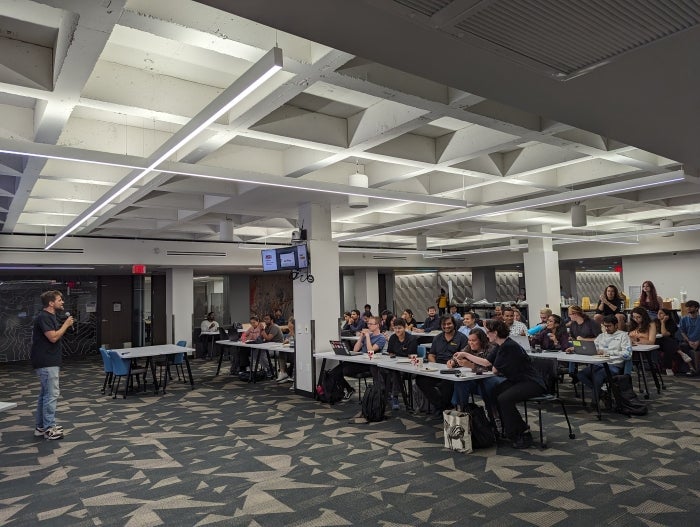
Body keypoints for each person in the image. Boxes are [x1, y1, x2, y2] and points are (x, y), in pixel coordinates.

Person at [481, 320, 546, 448]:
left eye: (488, 332)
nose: (487, 335)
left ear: (496, 333)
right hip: (518, 380)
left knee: (504, 399)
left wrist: (465, 355)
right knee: (494, 393)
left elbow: (494, 369)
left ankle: (521, 432)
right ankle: (502, 427)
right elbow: (487, 362)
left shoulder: (508, 346)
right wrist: (464, 355)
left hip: (532, 382)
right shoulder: (500, 346)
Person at [31, 290, 73, 440]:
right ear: (51, 303)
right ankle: (49, 428)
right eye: (59, 300)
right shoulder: (44, 317)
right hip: (46, 361)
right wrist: (66, 325)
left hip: (48, 360)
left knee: (45, 395)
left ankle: (41, 427)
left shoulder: (50, 316)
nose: (62, 302)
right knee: (51, 394)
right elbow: (53, 337)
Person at [415, 314, 468, 414]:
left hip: (454, 369)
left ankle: (442, 408)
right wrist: (435, 366)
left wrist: (454, 362)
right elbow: (431, 355)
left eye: (449, 324)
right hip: (438, 368)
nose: (446, 326)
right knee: (420, 380)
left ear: (454, 324)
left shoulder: (462, 338)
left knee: (446, 385)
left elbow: (464, 356)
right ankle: (442, 406)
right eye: (444, 324)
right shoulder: (437, 338)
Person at [578, 315, 632, 407]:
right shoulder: (601, 336)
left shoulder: (624, 336)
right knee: (580, 374)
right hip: (599, 364)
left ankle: (595, 401)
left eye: (609, 326)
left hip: (614, 365)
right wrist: (576, 349)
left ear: (616, 325)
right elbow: (593, 348)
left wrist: (607, 352)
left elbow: (627, 354)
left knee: (597, 375)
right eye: (605, 326)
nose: (606, 328)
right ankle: (602, 393)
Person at [450, 329, 506, 417]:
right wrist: (453, 362)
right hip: (477, 380)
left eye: (474, 340)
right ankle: (461, 409)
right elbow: (459, 355)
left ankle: (493, 414)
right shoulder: (469, 347)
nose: (471, 343)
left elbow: (491, 368)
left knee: (486, 385)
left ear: (481, 340)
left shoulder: (491, 349)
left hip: (490, 380)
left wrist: (472, 366)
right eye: (469, 340)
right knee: (460, 382)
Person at [338, 316, 387, 400]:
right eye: (368, 323)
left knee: (344, 371)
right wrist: (361, 337)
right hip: (359, 360)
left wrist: (367, 336)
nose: (368, 326)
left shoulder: (381, 338)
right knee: (336, 371)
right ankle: (349, 389)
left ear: (377, 325)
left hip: (368, 364)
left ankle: (350, 390)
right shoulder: (366, 336)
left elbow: (370, 351)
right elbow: (355, 349)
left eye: (371, 324)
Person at [384, 319, 418, 410]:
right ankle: (384, 393)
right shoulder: (393, 338)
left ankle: (394, 396)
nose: (397, 330)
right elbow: (391, 353)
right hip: (395, 363)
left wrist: (399, 355)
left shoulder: (411, 339)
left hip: (408, 366)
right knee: (380, 369)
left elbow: (411, 356)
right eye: (395, 328)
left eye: (400, 328)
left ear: (405, 328)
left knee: (396, 373)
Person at [261, 314, 288, 382]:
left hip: (278, 349)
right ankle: (269, 368)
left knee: (262, 354)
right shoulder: (267, 327)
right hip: (270, 347)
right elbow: (263, 338)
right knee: (256, 352)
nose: (265, 321)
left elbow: (268, 338)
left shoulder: (274, 327)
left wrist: (262, 331)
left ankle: (271, 369)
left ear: (272, 320)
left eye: (267, 319)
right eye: (264, 319)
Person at [678, 300, 700, 374]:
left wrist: (698, 341)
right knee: (681, 347)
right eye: (687, 307)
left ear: (696, 308)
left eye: (690, 307)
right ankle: (691, 368)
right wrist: (689, 341)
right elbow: (682, 332)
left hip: (698, 340)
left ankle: (697, 369)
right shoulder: (684, 319)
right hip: (689, 341)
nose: (688, 308)